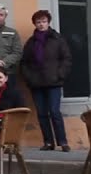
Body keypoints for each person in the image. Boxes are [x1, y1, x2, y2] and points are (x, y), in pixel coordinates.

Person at [20, 10, 72, 152]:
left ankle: (63, 141)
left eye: (43, 21)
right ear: (35, 24)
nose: (41, 24)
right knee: (42, 113)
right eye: (38, 22)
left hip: (54, 82)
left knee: (54, 112)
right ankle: (48, 142)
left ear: (48, 22)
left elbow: (66, 59)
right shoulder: (31, 42)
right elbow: (24, 63)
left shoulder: (57, 39)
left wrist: (60, 74)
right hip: (36, 84)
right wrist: (29, 78)